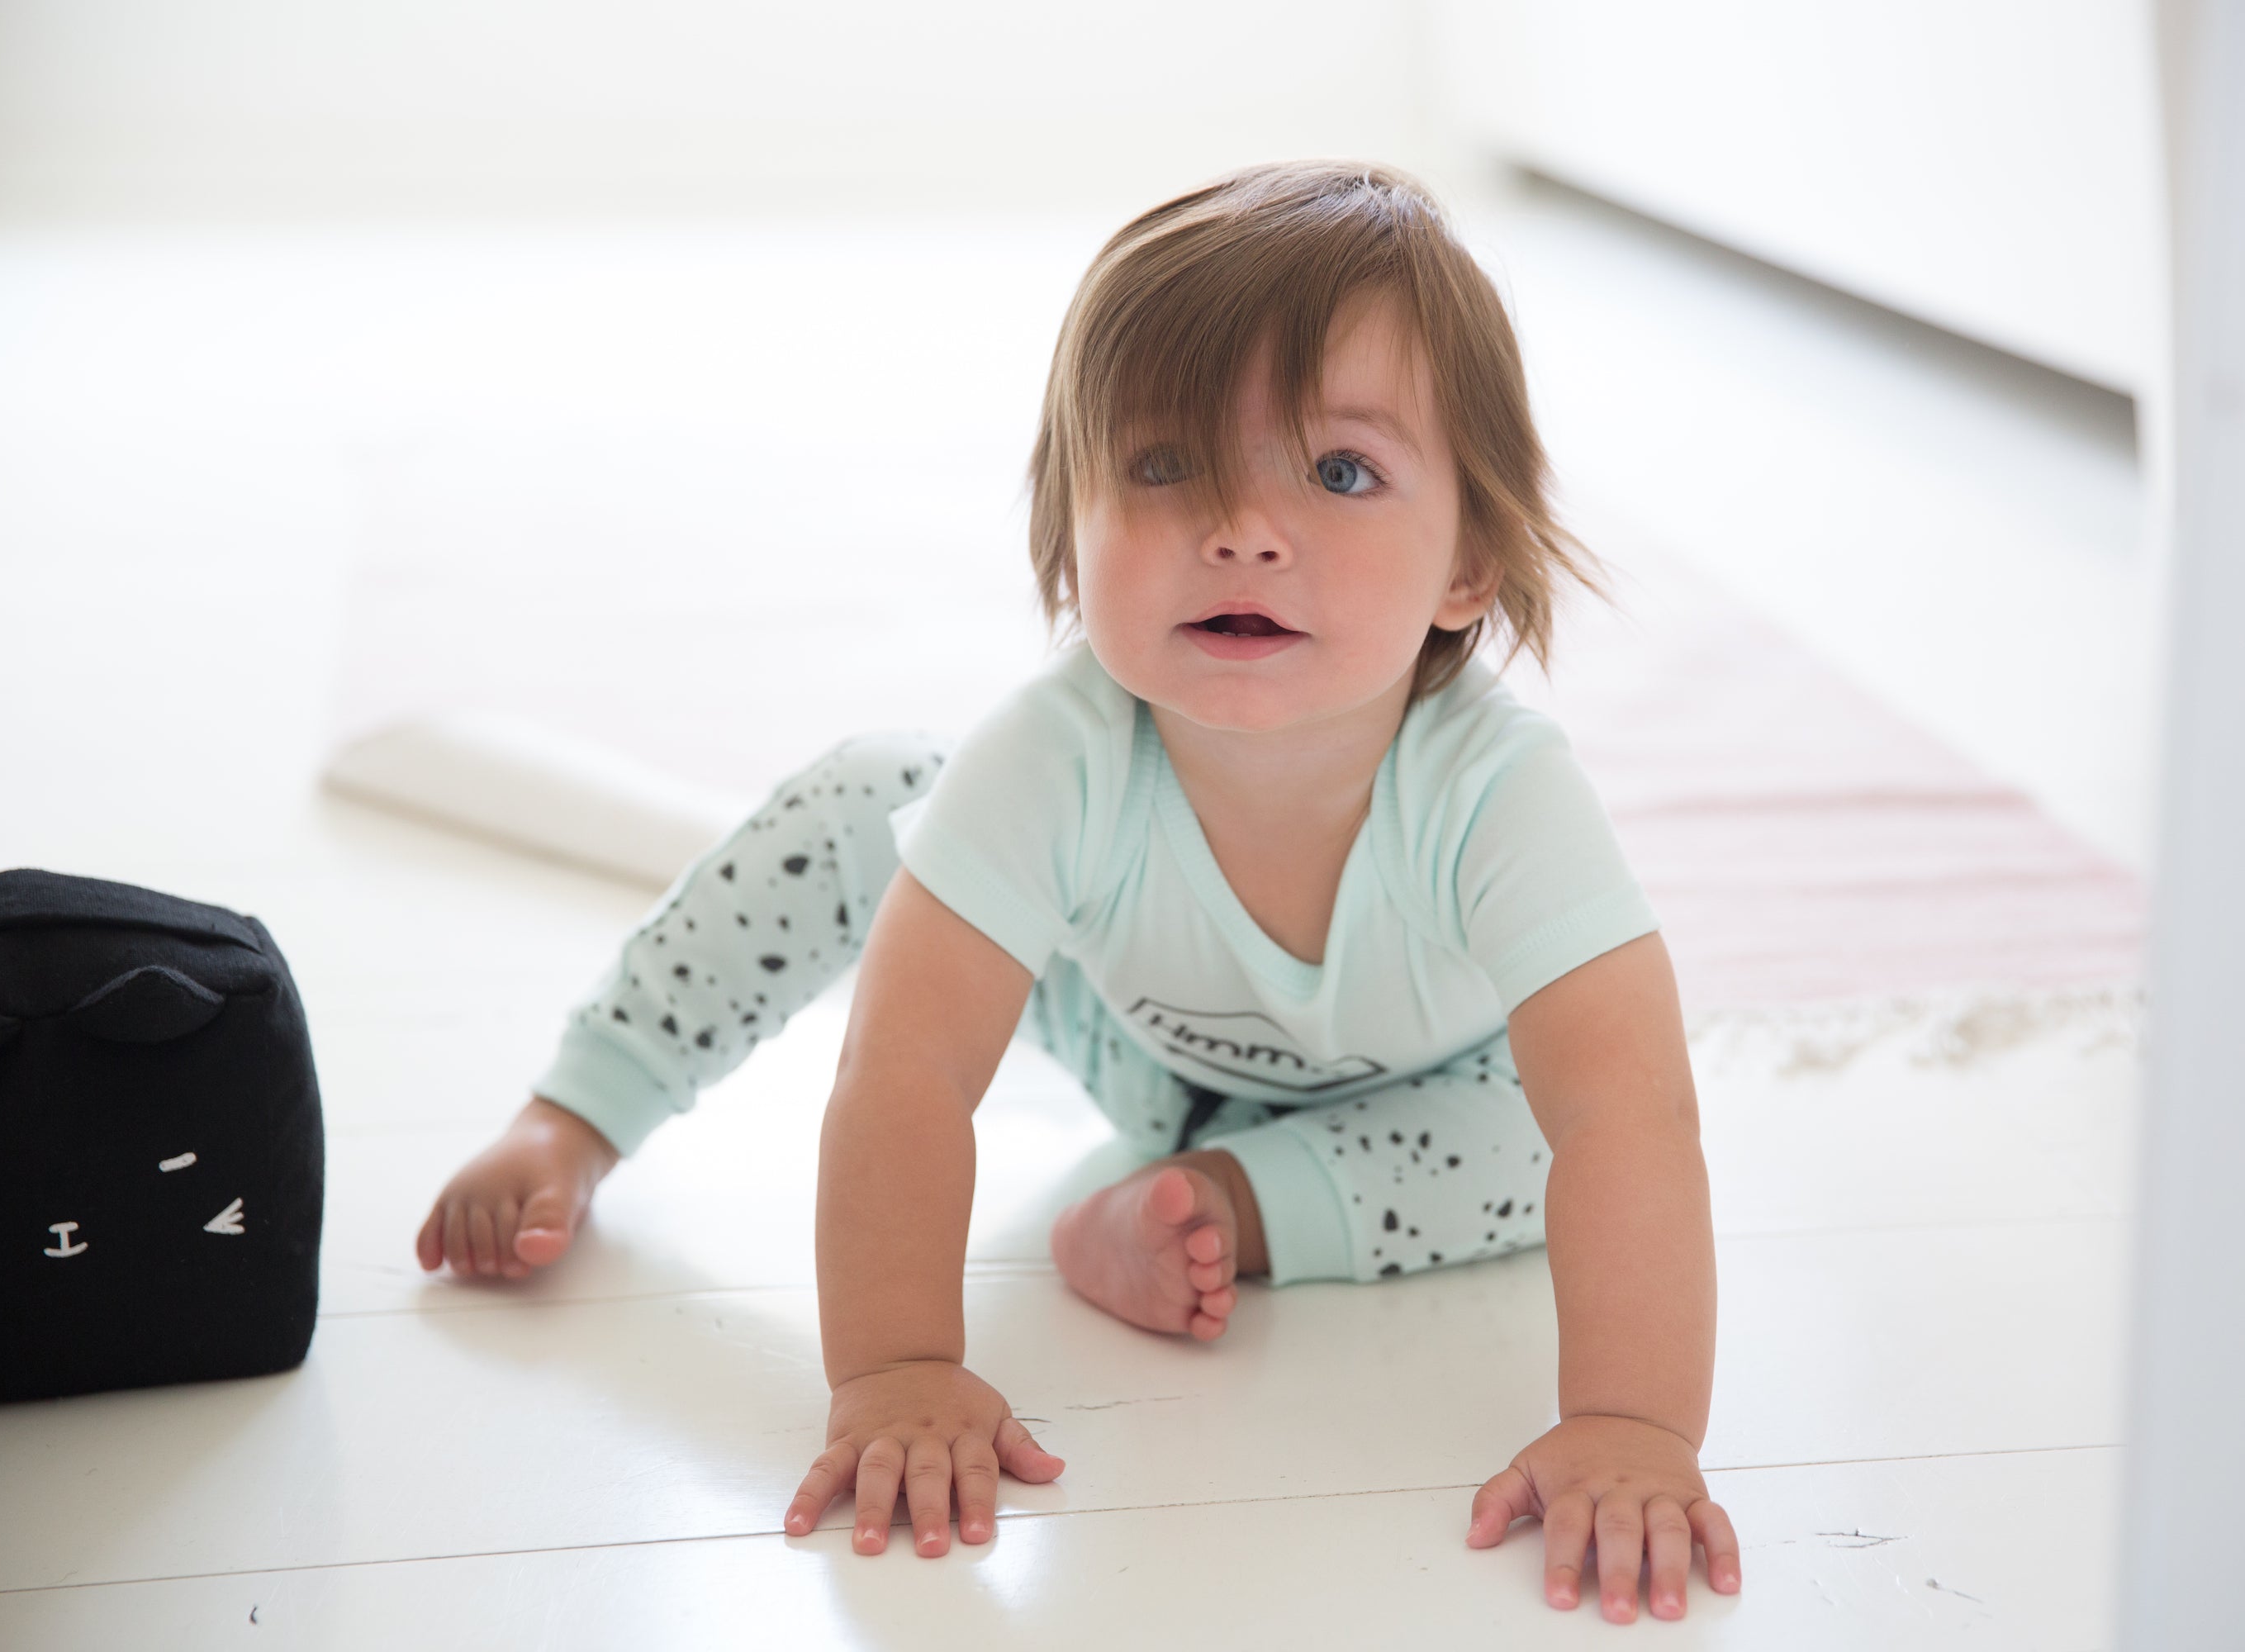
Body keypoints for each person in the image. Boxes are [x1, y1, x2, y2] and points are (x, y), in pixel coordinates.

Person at [415, 160, 1741, 1625]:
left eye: (1341, 472)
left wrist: (1635, 1426)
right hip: (1129, 1034)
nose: (1244, 528)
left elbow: (1627, 1112)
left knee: (1558, 1146)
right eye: (1168, 467)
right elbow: (907, 1070)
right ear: (1069, 525)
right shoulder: (1059, 756)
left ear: (1470, 562)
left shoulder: (1502, 793)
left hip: (1432, 1088)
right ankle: (584, 1105)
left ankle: (1214, 1209)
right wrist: (900, 1365)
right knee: (875, 792)